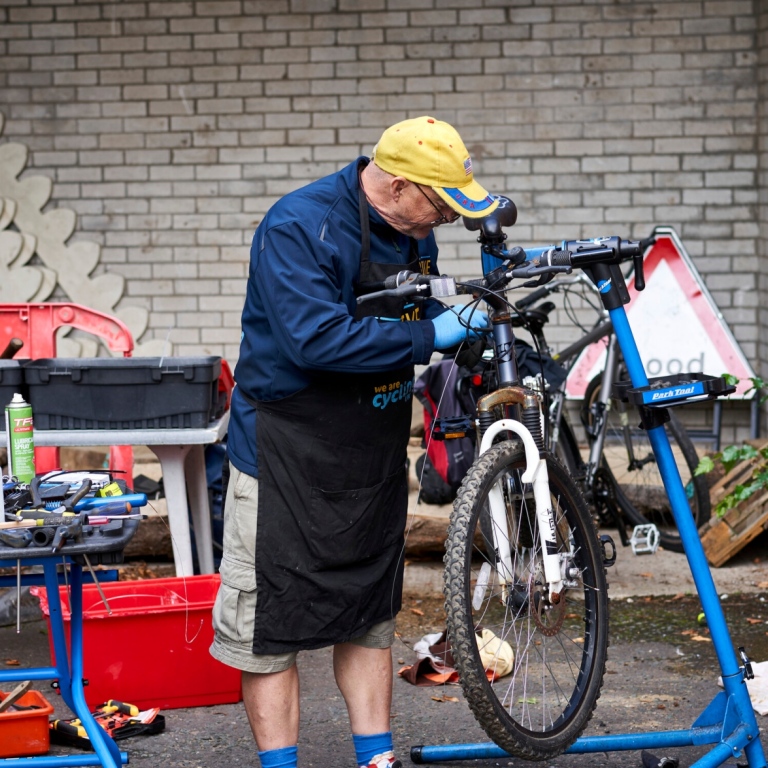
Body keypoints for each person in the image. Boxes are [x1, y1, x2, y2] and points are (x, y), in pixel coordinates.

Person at [210, 116, 498, 768]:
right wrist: (432, 336)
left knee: (368, 616)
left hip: (370, 455)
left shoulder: (410, 230)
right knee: (267, 630)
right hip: (286, 459)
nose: (447, 220)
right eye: (440, 204)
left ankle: (377, 760)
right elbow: (316, 339)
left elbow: (414, 306)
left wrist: (457, 316)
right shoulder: (298, 228)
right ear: (396, 185)